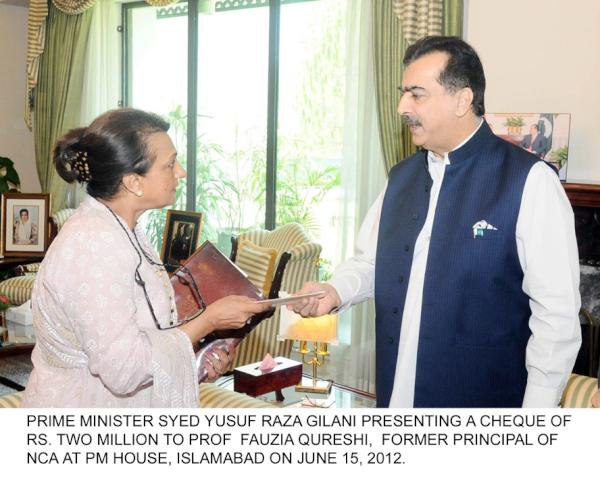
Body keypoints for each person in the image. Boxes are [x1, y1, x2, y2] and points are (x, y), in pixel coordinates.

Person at [291, 36, 581, 408]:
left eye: (417, 95)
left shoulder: (530, 181)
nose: (402, 107)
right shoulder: (400, 177)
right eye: (403, 94)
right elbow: (371, 262)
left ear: (462, 99)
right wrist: (334, 291)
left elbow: (556, 316)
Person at [21, 108, 270, 407]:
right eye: (170, 164)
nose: (181, 172)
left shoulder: (123, 228)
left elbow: (147, 334)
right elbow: (124, 370)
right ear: (133, 182)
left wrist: (196, 358)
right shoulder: (92, 244)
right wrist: (207, 321)